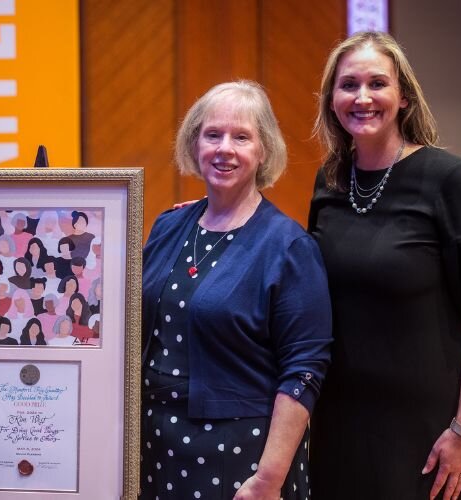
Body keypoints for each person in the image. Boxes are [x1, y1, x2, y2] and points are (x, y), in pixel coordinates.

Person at [308, 31, 461, 500]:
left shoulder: (450, 179)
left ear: (403, 95)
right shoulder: (329, 180)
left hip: (430, 436)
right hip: (340, 426)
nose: (362, 98)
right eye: (348, 85)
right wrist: (217, 213)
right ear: (331, 100)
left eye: (377, 84)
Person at [141, 80, 332, 499]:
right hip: (155, 451)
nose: (224, 148)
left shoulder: (289, 247)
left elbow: (303, 372)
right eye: (213, 134)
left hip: (243, 461)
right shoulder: (167, 227)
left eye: (241, 137)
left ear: (264, 150)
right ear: (194, 145)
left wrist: (268, 480)